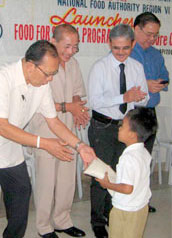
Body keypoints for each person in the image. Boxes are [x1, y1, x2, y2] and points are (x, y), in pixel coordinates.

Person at [0, 40, 96, 238]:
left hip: (8, 141)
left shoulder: (40, 84)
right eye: (48, 74)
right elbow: (1, 127)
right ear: (30, 66)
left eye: (53, 74)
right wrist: (45, 143)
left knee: (21, 191)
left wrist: (80, 146)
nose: (50, 79)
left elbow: (54, 122)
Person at [87, 24, 149, 238]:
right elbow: (94, 101)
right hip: (103, 126)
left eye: (125, 48)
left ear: (133, 44)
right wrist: (123, 98)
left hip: (126, 129)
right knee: (101, 174)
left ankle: (110, 212)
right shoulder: (100, 67)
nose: (121, 53)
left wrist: (140, 97)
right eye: (116, 48)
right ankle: (97, 220)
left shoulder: (137, 67)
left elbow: (146, 97)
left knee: (120, 172)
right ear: (109, 44)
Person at [28, 24, 89, 238]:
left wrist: (77, 107)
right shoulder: (41, 65)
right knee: (46, 182)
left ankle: (63, 220)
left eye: (75, 47)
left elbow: (77, 93)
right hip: (45, 131)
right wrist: (67, 107)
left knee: (66, 180)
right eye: (67, 46)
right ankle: (44, 226)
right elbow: (37, 104)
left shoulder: (73, 65)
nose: (71, 51)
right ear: (53, 42)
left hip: (68, 131)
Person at [96, 107, 158, 238]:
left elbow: (127, 188)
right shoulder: (144, 152)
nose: (119, 128)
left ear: (132, 134)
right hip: (140, 207)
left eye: (122, 126)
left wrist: (107, 184)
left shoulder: (127, 158)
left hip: (125, 210)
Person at [130, 12, 170, 213]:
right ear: (136, 29)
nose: (152, 39)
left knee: (145, 159)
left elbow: (165, 77)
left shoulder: (156, 54)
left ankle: (142, 199)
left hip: (149, 112)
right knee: (128, 159)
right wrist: (145, 85)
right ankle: (124, 200)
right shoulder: (125, 51)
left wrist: (159, 84)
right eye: (148, 34)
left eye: (155, 35)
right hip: (131, 113)